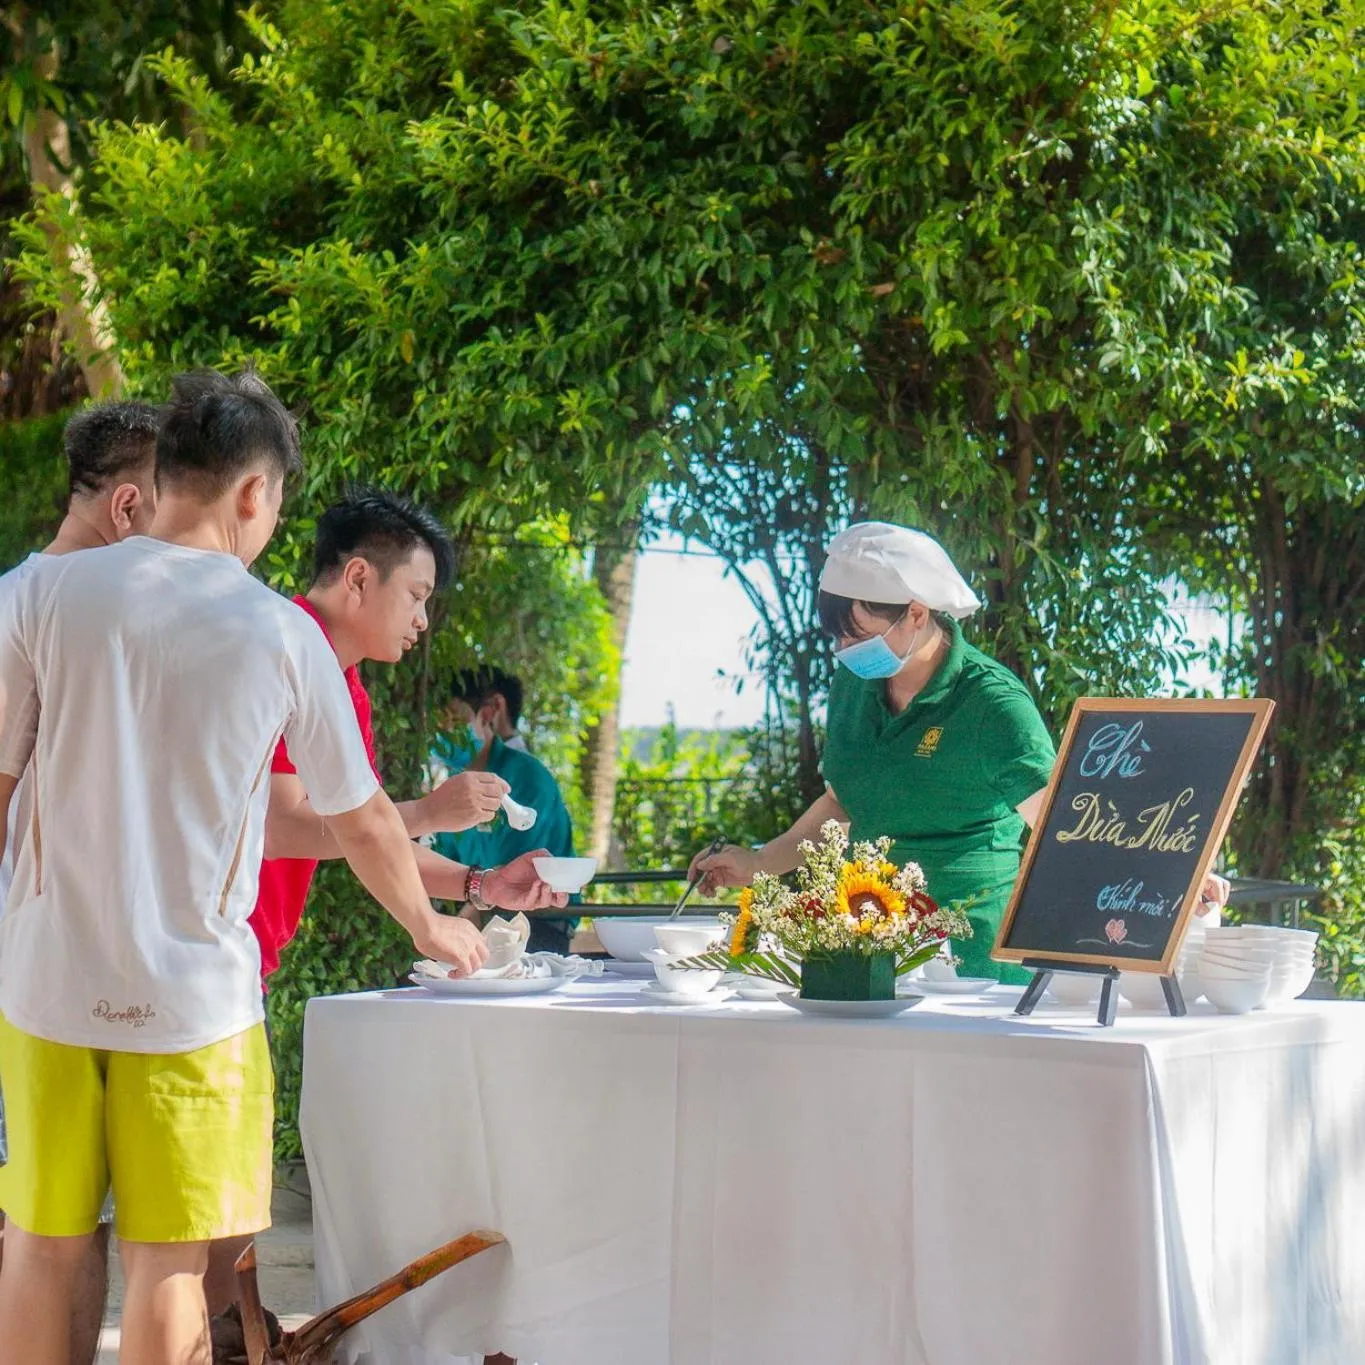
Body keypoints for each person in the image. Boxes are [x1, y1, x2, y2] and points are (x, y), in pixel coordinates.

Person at [0, 369, 561, 1365]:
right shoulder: (275, 631)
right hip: (195, 1003)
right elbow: (361, 820)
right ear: (254, 494)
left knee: (42, 1247)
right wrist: (433, 927)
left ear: (162, 472)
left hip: (42, 984)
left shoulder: (36, 594)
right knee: (168, 1267)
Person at [202, 493, 554, 1315]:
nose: (423, 620)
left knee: (222, 1196)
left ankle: (231, 1329)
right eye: (418, 594)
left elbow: (365, 834)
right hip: (213, 950)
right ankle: (219, 1332)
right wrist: (429, 814)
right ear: (358, 577)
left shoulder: (340, 680)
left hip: (237, 951)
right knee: (209, 1204)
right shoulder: (284, 645)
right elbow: (285, 826)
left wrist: (476, 887)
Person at [690, 521, 1230, 980]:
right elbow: (845, 804)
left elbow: (1066, 826)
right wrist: (761, 862)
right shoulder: (854, 685)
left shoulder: (992, 705)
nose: (846, 652)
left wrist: (1169, 876)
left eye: (859, 635)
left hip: (974, 957)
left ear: (918, 614)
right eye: (838, 638)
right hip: (868, 945)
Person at [0, 399, 160, 1365]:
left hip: (78, 960)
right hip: (30, 957)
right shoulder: (25, 605)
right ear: (133, 504)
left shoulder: (77, 607)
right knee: (38, 1222)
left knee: (71, 1217)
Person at [433, 668, 579, 954]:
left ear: (486, 716)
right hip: (477, 909)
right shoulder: (452, 786)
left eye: (454, 720)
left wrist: (448, 934)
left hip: (537, 920)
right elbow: (442, 861)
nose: (444, 733)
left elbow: (518, 872)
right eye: (437, 726)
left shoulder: (526, 776)